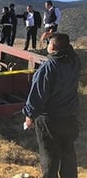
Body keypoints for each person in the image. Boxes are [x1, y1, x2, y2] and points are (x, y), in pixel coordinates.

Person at [22, 33, 80, 178]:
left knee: (49, 156)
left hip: (50, 120)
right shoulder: (74, 61)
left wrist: (30, 115)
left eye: (49, 43)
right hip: (70, 117)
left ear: (52, 47)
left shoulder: (48, 67)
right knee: (68, 155)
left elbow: (38, 93)